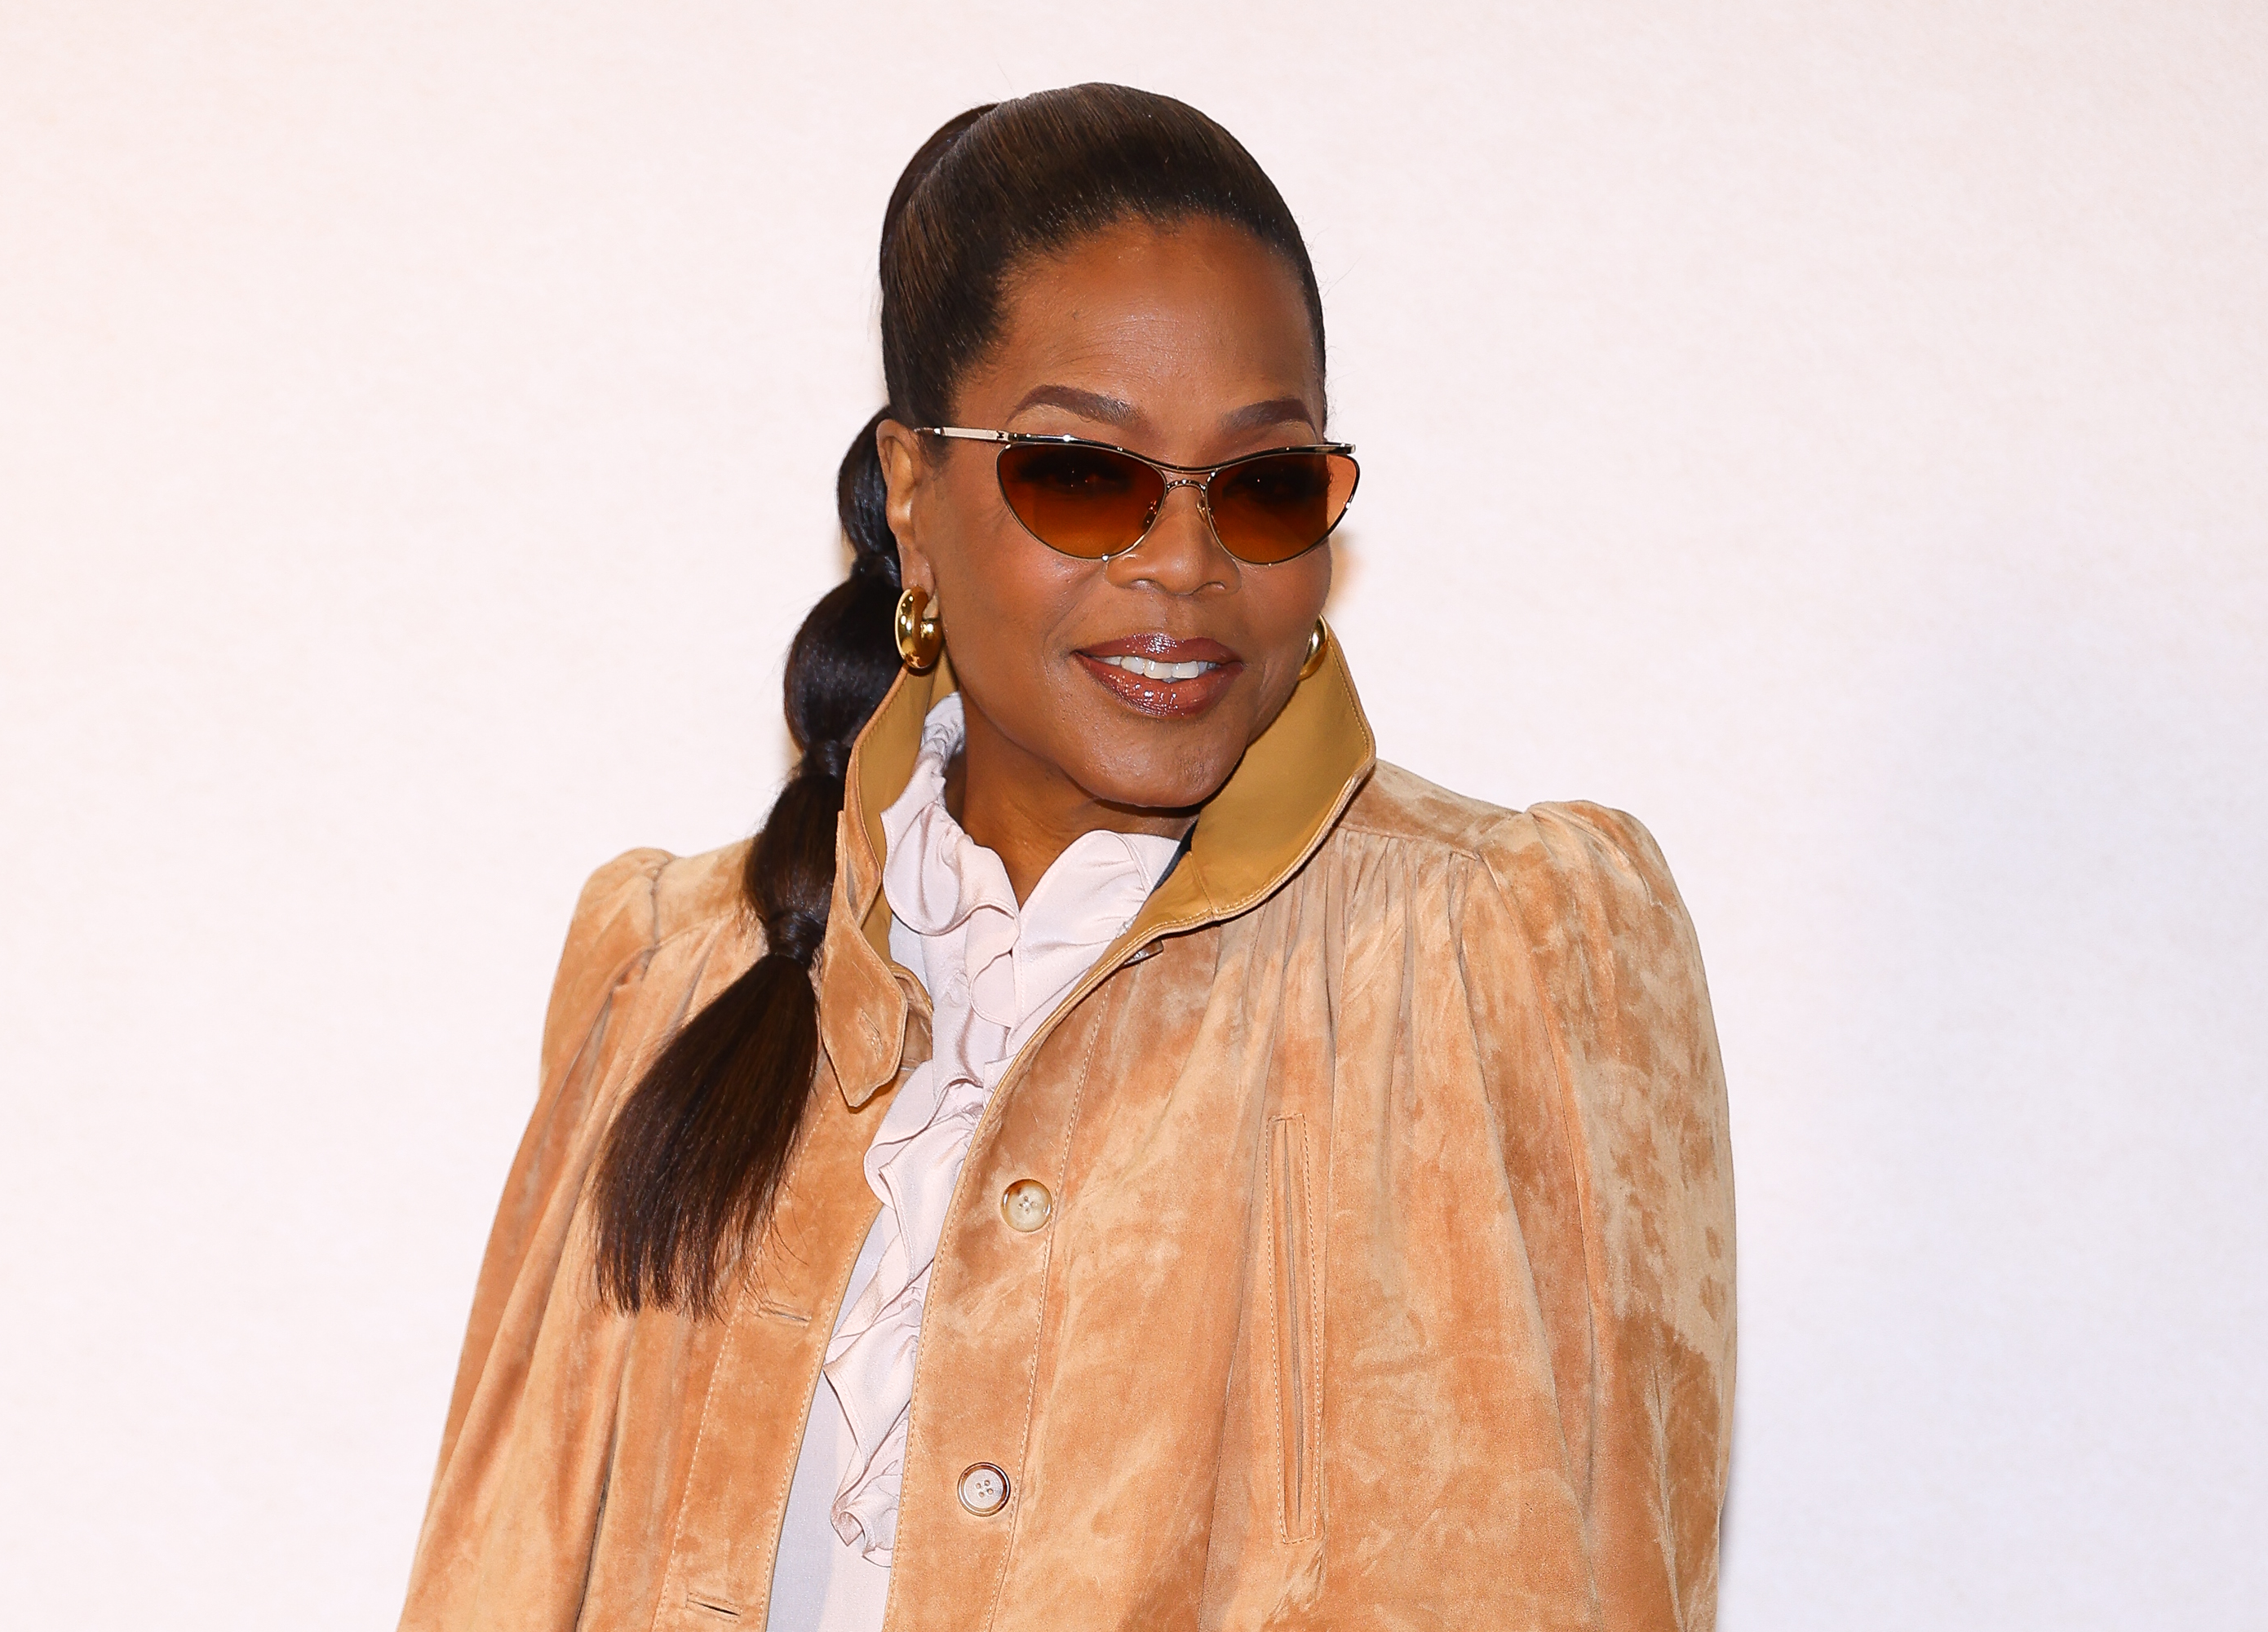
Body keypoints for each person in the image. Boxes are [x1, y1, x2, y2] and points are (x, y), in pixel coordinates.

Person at [400, 83, 1734, 1632]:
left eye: (1265, 484)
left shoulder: (1505, 955)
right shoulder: (670, 972)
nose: (1185, 563)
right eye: (1085, 474)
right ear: (913, 494)